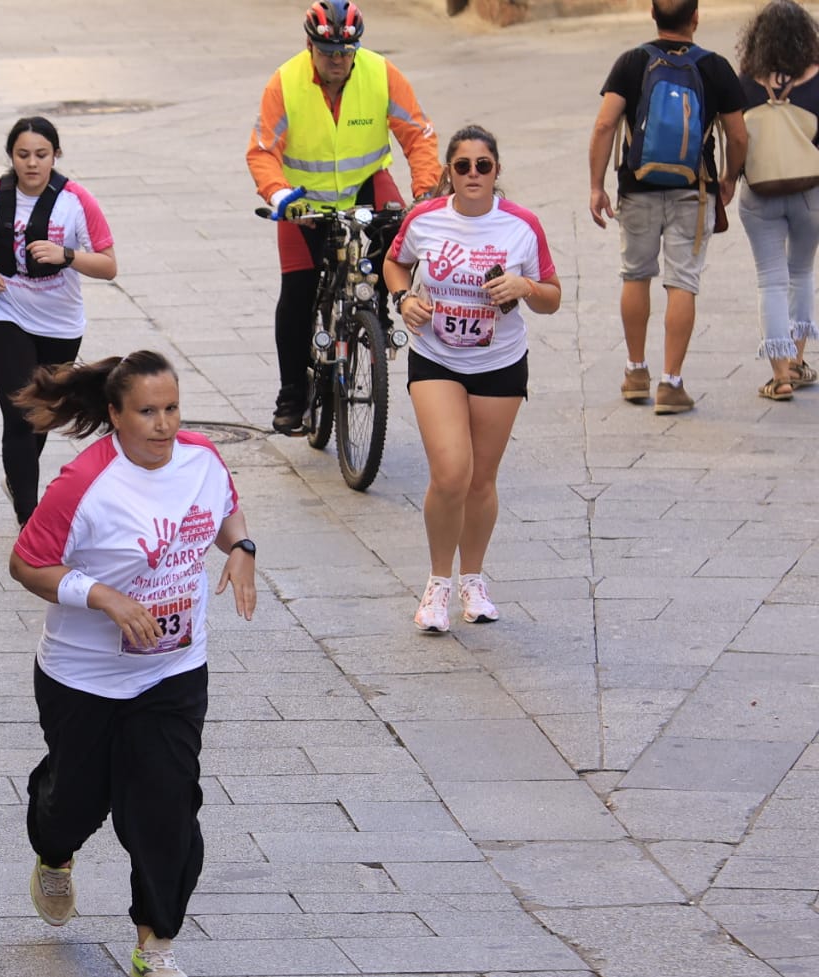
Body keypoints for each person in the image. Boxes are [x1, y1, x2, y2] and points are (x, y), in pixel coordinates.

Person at [7, 350, 257, 977]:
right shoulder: (83, 484)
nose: (164, 424)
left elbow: (227, 511)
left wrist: (243, 548)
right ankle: (54, 850)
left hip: (173, 671)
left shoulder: (203, 458)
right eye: (148, 411)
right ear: (115, 415)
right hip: (82, 677)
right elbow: (28, 563)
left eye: (172, 408)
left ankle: (157, 943)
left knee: (166, 808)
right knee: (77, 803)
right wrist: (104, 597)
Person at [384, 126, 562, 633]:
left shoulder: (522, 227)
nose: (473, 175)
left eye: (483, 165)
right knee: (451, 473)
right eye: (463, 166)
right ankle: (438, 584)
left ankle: (473, 580)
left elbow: (552, 296)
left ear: (497, 170)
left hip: (500, 362)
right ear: (449, 173)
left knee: (482, 479)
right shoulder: (424, 219)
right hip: (436, 357)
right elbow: (394, 263)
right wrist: (404, 300)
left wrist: (525, 285)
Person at [247, 0, 441, 435]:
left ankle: (377, 322)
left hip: (365, 186)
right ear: (310, 45)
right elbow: (262, 151)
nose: (338, 59)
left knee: (398, 239)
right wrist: (280, 196)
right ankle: (292, 394)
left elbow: (418, 134)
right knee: (297, 292)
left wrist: (425, 190)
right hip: (304, 202)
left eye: (346, 50)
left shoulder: (381, 73)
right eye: (328, 50)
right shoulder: (284, 82)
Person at [588, 0, 748, 414]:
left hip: (636, 188)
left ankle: (635, 371)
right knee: (682, 283)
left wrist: (596, 186)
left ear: (653, 16)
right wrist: (729, 178)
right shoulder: (715, 67)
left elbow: (605, 124)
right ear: (696, 18)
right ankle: (671, 383)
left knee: (635, 275)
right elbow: (739, 134)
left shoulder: (631, 62)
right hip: (693, 191)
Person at [0, 117, 118, 527]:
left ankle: (18, 478)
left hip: (59, 322)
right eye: (22, 154)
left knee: (42, 413)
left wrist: (67, 255)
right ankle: (29, 518)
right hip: (1, 310)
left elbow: (108, 265)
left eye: (41, 155)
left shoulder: (77, 201)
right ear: (11, 156)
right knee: (21, 411)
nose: (31, 163)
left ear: (56, 156)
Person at [736, 0, 819, 400]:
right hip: (811, 192)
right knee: (801, 274)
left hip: (759, 193)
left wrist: (727, 178)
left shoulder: (746, 80)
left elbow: (736, 137)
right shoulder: (818, 78)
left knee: (770, 279)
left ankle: (780, 377)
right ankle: (799, 362)